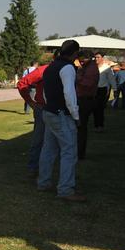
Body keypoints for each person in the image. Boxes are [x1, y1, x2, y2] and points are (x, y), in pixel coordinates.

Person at [37, 40, 84, 202]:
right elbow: (69, 94)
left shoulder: (51, 67)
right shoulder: (68, 68)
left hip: (49, 111)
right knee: (69, 151)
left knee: (48, 149)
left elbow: (45, 92)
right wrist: (76, 116)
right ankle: (65, 189)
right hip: (61, 113)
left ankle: (43, 182)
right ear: (75, 53)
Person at [16, 62, 48, 176]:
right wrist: (30, 102)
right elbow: (22, 83)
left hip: (56, 109)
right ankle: (33, 167)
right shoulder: (43, 70)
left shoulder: (70, 69)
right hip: (43, 108)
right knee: (39, 139)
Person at [75, 50, 99, 159]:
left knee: (81, 127)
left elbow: (87, 83)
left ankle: (80, 152)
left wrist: (77, 76)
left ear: (86, 58)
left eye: (81, 59)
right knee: (80, 127)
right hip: (85, 98)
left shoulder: (91, 68)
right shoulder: (88, 67)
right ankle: (79, 151)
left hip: (85, 100)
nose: (80, 61)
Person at [92, 52, 116, 132]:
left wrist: (115, 89)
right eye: (95, 57)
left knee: (100, 108)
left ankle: (100, 126)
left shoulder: (107, 68)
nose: (96, 59)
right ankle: (96, 125)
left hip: (102, 90)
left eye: (98, 57)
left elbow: (111, 79)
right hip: (93, 90)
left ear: (102, 58)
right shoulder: (93, 67)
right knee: (94, 108)